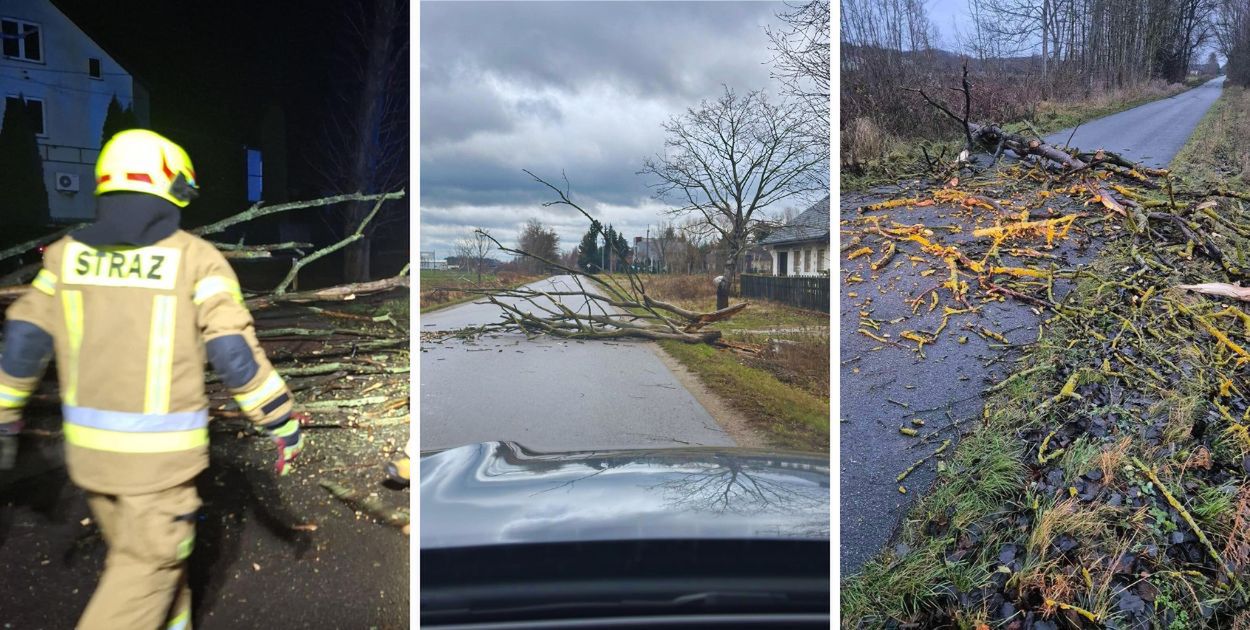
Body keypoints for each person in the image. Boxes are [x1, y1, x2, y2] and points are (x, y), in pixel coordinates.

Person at [0, 129, 305, 630]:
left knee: (149, 557)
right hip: (159, 465)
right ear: (171, 187)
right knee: (148, 570)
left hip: (90, 459)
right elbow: (233, 355)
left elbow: (24, 340)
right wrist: (281, 420)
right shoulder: (195, 259)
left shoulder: (64, 256)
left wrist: (6, 413)